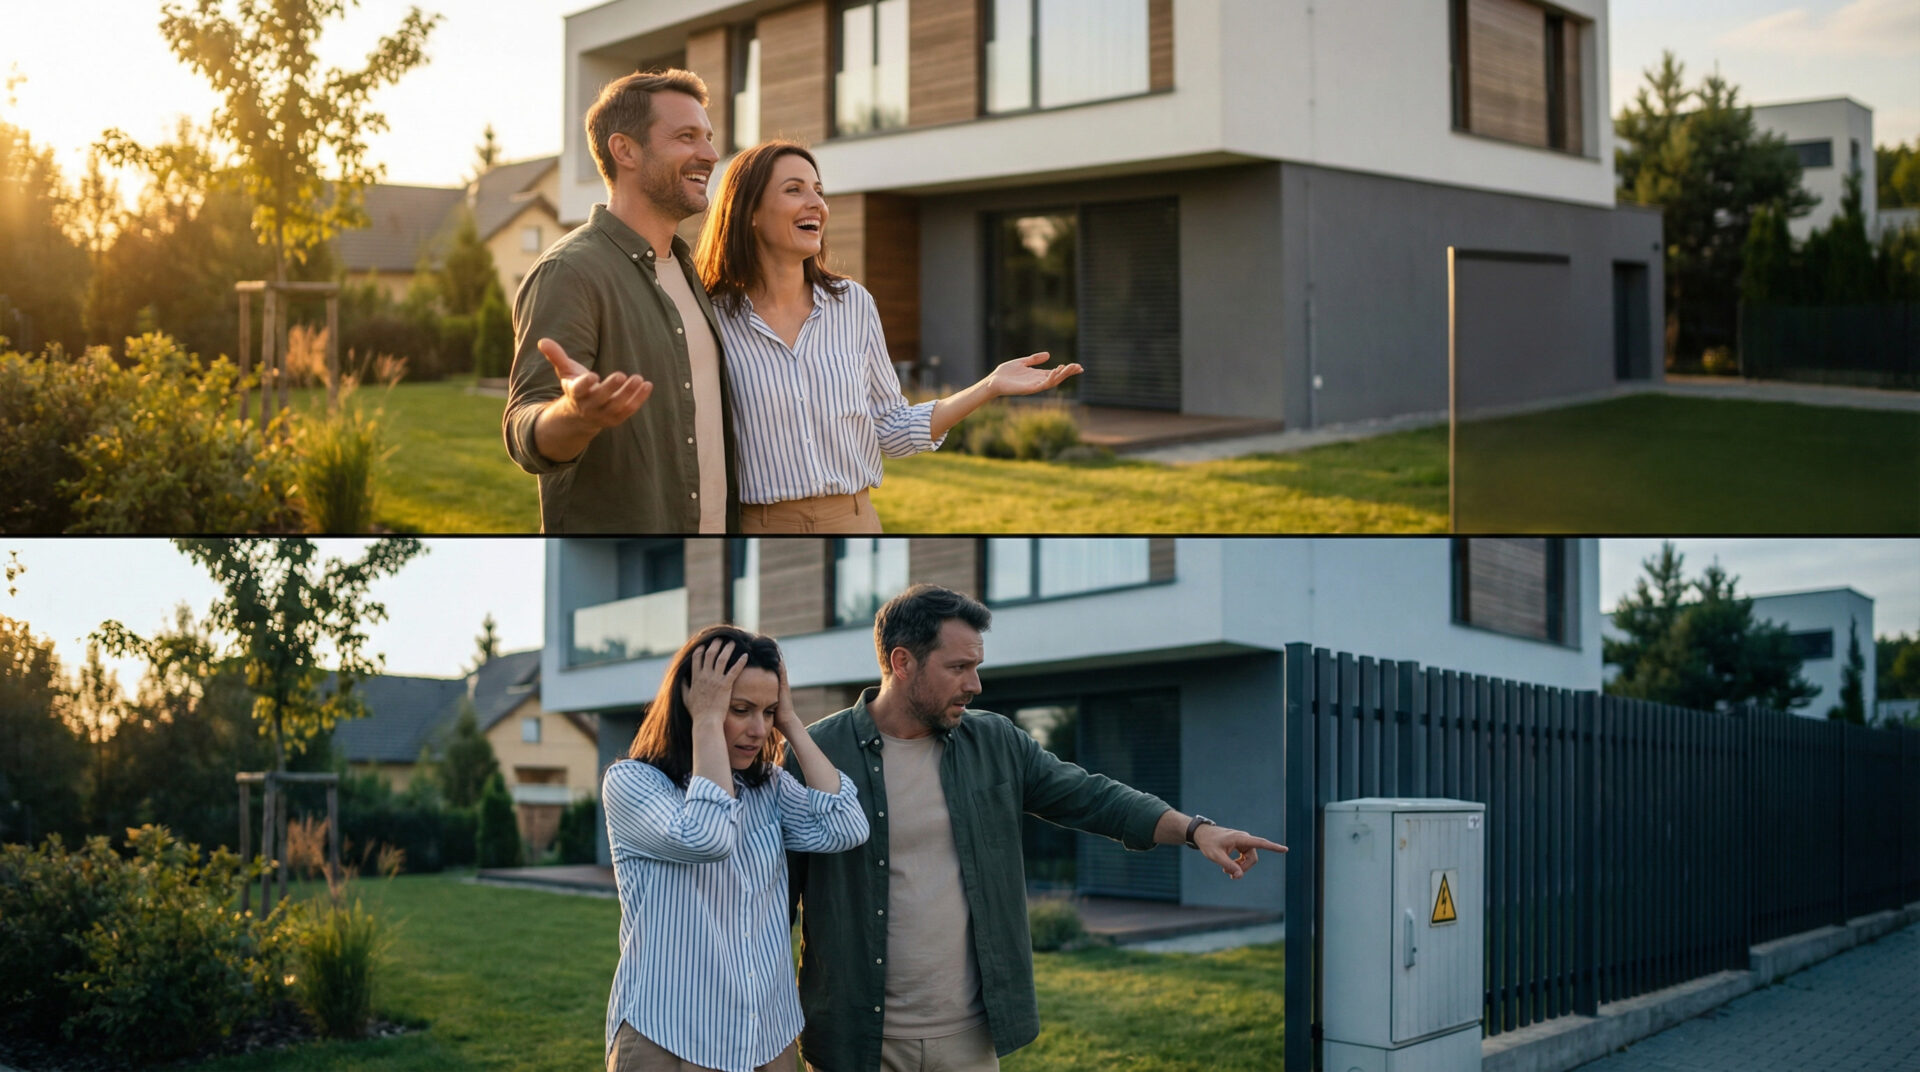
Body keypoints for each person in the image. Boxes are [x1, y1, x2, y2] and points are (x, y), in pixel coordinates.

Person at [785, 585, 1285, 1072]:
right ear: (902, 663)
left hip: (969, 1037)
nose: (975, 684)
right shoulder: (818, 754)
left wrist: (1196, 830)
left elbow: (1092, 797)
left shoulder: (995, 741)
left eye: (976, 666)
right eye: (959, 667)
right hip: (857, 1041)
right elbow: (770, 901)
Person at [693, 141, 1084, 534]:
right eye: (794, 189)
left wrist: (989, 386)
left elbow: (891, 427)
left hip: (855, 521)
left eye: (819, 190)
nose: (817, 203)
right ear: (750, 213)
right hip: (757, 527)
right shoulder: (710, 317)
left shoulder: (853, 304)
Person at [603, 625, 869, 1072]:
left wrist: (790, 722)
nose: (757, 729)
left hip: (767, 1032)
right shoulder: (633, 783)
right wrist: (706, 721)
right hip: (670, 1033)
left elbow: (847, 825)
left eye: (767, 711)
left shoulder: (768, 786)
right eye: (740, 709)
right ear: (692, 702)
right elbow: (707, 836)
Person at [503, 69, 741, 533]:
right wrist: (573, 415)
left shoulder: (690, 272)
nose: (710, 155)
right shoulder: (569, 272)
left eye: (708, 138)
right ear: (625, 150)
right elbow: (523, 426)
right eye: (686, 137)